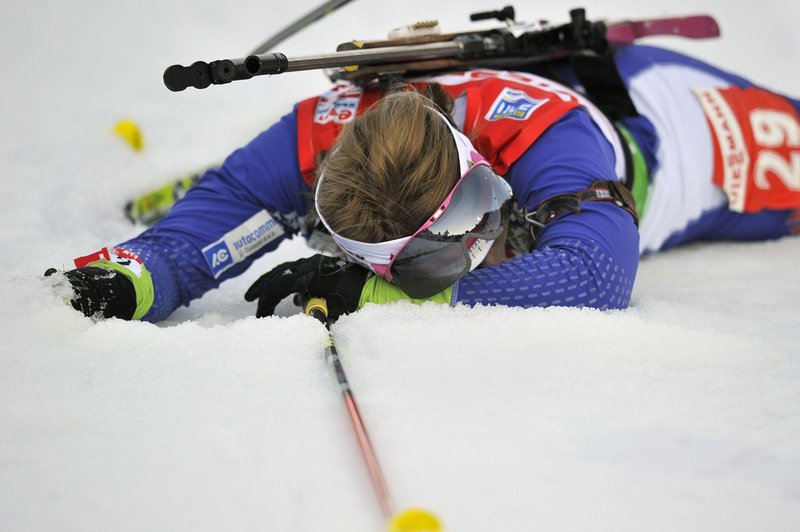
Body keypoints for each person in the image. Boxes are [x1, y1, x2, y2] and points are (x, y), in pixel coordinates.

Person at [45, 43, 800, 322]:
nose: (456, 259)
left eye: (443, 244)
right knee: (242, 187)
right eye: (415, 261)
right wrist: (137, 275)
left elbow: (596, 274)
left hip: (686, 129)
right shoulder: (317, 130)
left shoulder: (550, 140)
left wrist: (378, 292)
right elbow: (214, 222)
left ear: (480, 177)